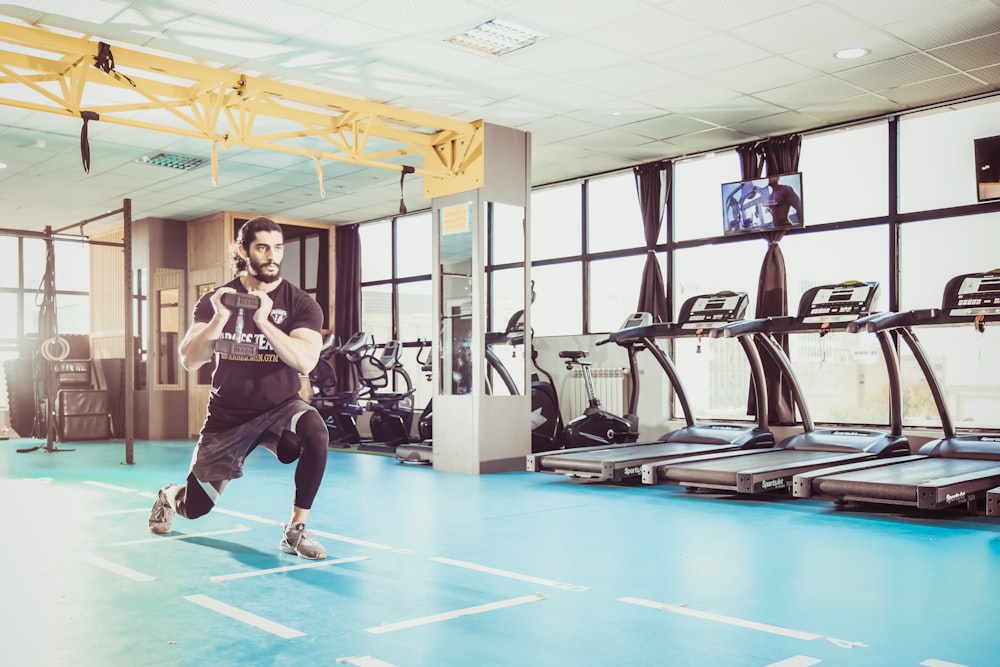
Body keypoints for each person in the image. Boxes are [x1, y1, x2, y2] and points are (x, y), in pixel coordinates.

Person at [148, 216, 330, 560]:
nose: (272, 256)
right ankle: (168, 495)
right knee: (196, 507)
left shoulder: (301, 303)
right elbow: (190, 360)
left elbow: (305, 362)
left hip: (280, 408)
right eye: (262, 248)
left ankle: (295, 530)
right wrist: (218, 318)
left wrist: (264, 320)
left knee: (315, 432)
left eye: (277, 248)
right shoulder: (216, 300)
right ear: (242, 250)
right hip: (227, 416)